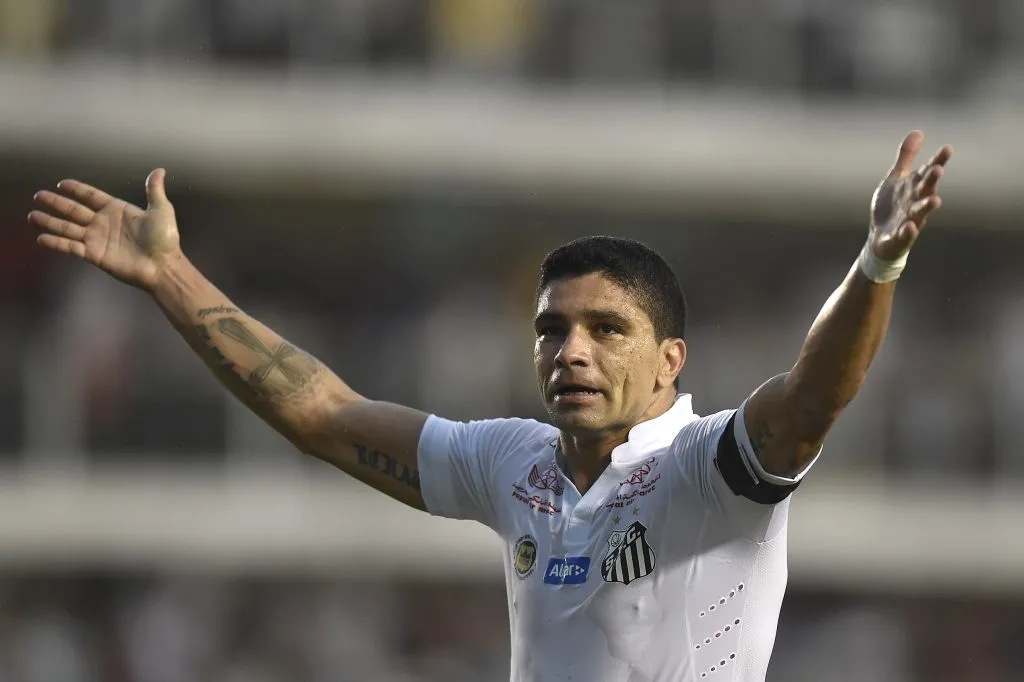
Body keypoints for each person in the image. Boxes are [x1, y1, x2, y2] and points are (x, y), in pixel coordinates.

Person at [28, 130, 952, 682]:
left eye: (605, 329)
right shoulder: (517, 463)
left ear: (671, 361)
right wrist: (169, 274)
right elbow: (324, 414)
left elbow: (813, 394)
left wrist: (877, 263)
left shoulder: (707, 469)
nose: (572, 350)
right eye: (552, 329)